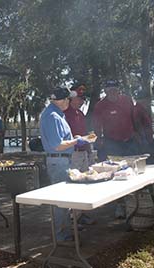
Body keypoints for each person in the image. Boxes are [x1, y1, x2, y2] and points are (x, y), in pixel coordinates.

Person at [40, 87, 92, 244]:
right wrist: (77, 141)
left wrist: (75, 138)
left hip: (62, 159)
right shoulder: (52, 116)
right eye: (68, 99)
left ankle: (66, 230)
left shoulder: (56, 114)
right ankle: (61, 235)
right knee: (61, 200)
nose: (70, 101)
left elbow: (61, 140)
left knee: (64, 198)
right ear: (62, 100)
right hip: (58, 160)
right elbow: (58, 145)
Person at [64, 84, 96, 225]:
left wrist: (89, 146)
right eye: (79, 98)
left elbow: (83, 134)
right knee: (74, 183)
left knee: (84, 182)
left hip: (84, 152)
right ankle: (73, 217)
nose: (82, 101)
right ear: (72, 98)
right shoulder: (65, 114)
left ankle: (81, 213)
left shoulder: (80, 114)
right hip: (74, 153)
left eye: (83, 98)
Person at [92, 80, 139, 161]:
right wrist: (99, 138)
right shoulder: (100, 105)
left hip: (130, 141)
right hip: (111, 142)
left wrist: (137, 132)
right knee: (115, 165)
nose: (112, 92)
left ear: (118, 90)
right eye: (110, 90)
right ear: (106, 91)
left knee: (132, 163)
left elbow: (134, 117)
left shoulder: (127, 100)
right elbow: (97, 125)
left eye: (115, 89)